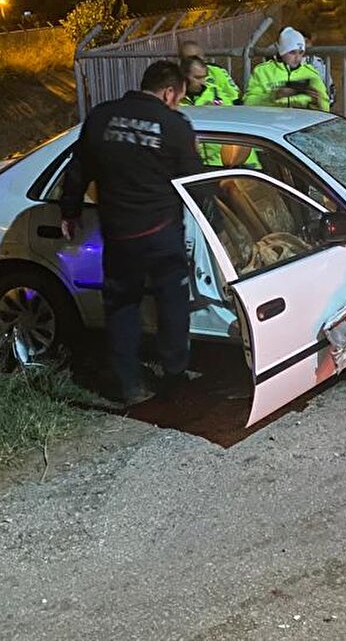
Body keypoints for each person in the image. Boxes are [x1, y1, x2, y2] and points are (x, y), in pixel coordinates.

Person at [59, 60, 204, 405]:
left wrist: (70, 209)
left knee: (122, 307)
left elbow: (79, 168)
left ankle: (128, 384)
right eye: (179, 98)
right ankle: (174, 375)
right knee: (172, 305)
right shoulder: (174, 125)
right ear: (169, 92)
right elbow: (196, 184)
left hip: (119, 233)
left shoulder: (101, 117)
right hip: (161, 233)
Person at [181, 56, 260, 169]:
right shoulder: (175, 99)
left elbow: (237, 121)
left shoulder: (216, 92)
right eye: (197, 78)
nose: (203, 82)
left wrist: (216, 112)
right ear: (184, 76)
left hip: (235, 163)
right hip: (204, 167)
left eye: (204, 77)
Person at [242, 27, 330, 111]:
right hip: (271, 122)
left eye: (301, 52)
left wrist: (317, 101)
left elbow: (326, 108)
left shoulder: (311, 73)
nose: (298, 58)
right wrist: (274, 96)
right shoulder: (263, 71)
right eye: (292, 53)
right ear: (282, 51)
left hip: (299, 123)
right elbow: (248, 102)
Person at [302, 29, 336, 108]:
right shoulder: (287, 62)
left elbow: (328, 83)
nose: (303, 45)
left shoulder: (317, 62)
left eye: (306, 42)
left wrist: (329, 101)